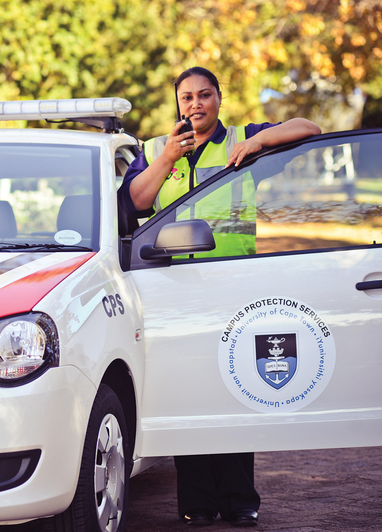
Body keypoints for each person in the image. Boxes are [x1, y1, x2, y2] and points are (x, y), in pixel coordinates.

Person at [118, 67, 320, 527]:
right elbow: (131, 204)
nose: (195, 104)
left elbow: (310, 129)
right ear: (178, 103)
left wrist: (259, 144)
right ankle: (196, 502)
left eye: (204, 95)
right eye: (186, 97)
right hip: (170, 290)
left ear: (219, 98)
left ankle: (240, 499)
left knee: (236, 389)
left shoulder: (241, 138)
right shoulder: (154, 148)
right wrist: (165, 158)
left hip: (233, 287)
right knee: (187, 393)